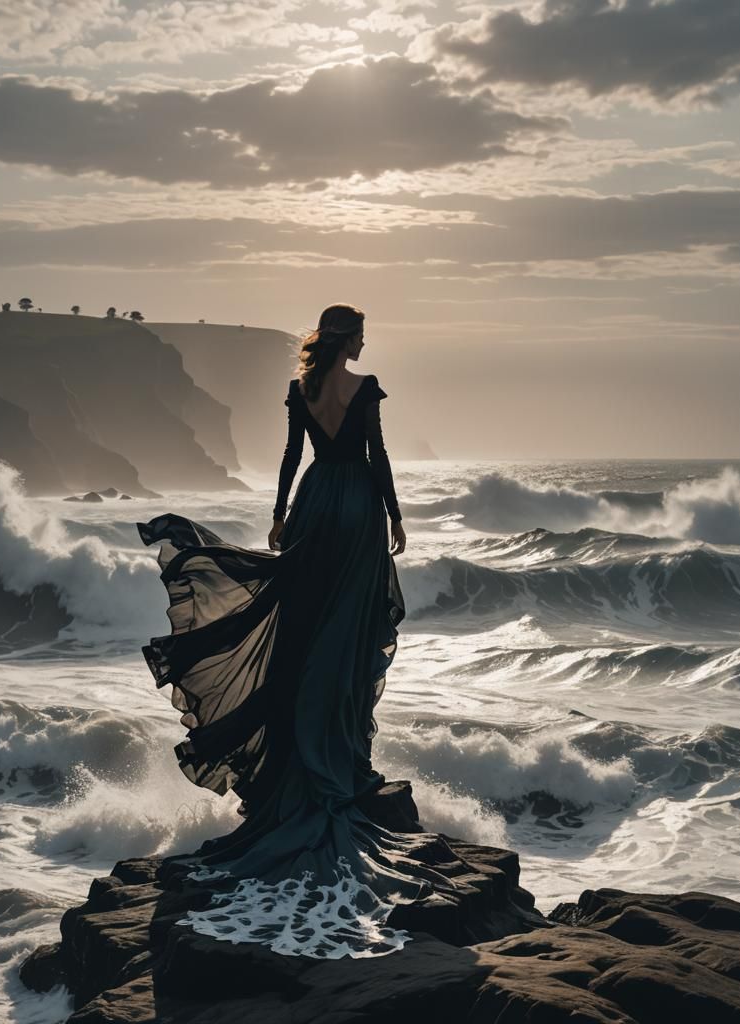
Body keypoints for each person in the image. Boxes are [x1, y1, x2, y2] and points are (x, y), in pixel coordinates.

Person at [136, 302, 457, 959]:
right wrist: (396, 516)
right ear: (351, 339)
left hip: (315, 504)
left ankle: (300, 757)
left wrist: (280, 514)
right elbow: (378, 457)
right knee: (352, 637)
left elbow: (289, 457)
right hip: (358, 510)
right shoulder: (364, 390)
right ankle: (340, 757)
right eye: (363, 333)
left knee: (307, 634)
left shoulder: (302, 390)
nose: (367, 342)